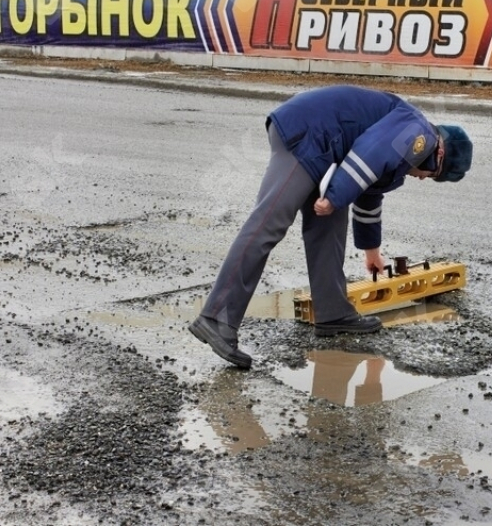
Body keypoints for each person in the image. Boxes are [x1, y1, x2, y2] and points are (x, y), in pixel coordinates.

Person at [189, 85, 473, 369]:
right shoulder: (418, 131)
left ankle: (333, 312)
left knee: (329, 228)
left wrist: (371, 252)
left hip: (325, 146)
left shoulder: (405, 149)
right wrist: (335, 197)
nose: (424, 179)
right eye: (433, 175)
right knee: (268, 224)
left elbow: (369, 192)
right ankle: (217, 318)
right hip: (307, 133)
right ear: (438, 155)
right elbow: (369, 154)